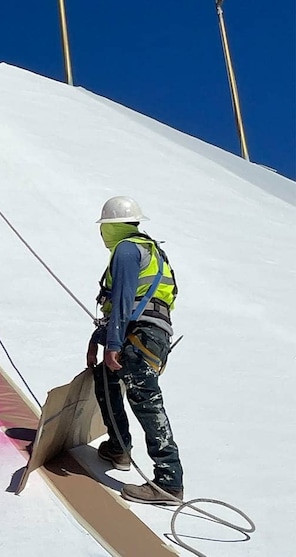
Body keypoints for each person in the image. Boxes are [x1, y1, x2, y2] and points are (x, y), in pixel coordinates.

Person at [86, 196, 184, 505]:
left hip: (139, 336)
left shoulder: (127, 250)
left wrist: (112, 344)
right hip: (151, 335)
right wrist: (99, 338)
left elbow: (125, 300)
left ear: (112, 227)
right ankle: (119, 448)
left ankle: (169, 482)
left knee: (146, 402)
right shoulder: (150, 250)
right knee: (106, 379)